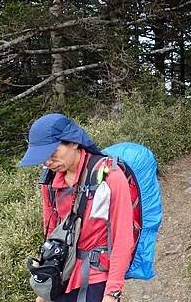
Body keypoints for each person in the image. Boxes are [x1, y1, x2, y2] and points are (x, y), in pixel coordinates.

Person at [19, 113, 134, 302]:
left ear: (73, 142)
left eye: (53, 153)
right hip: (63, 275)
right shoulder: (50, 182)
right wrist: (45, 286)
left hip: (96, 277)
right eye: (43, 157)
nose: (47, 162)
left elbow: (122, 237)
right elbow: (53, 234)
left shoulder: (110, 176)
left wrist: (112, 292)